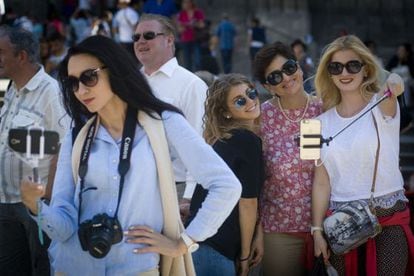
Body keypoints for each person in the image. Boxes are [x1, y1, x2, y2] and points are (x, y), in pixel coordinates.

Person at [19, 35, 242, 275]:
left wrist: (184, 242)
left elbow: (226, 185)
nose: (81, 90)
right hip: (74, 266)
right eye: (73, 83)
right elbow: (63, 228)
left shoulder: (163, 122)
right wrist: (36, 207)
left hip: (136, 267)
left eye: (89, 77)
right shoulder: (76, 138)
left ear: (113, 69)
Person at [312, 34, 414, 275]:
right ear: (328, 72)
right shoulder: (314, 124)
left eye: (353, 65)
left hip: (388, 220)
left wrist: (395, 83)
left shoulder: (383, 105)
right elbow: (321, 181)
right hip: (341, 227)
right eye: (336, 67)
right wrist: (316, 230)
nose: (344, 72)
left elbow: (393, 84)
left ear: (366, 69)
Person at [0, 26, 69, 276]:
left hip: (34, 207)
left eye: (1, 52)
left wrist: (45, 201)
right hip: (5, 202)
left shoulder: (51, 92)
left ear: (21, 56)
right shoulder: (11, 90)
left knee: (41, 269)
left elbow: (63, 148)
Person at [253, 41, 323, 275]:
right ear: (267, 86)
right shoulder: (260, 117)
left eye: (289, 68)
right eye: (274, 77)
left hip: (328, 225)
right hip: (278, 230)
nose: (285, 77)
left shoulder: (326, 109)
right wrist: (257, 230)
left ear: (300, 67)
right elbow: (252, 178)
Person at [187, 74, 264, 276]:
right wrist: (245, 256)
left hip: (199, 246)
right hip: (216, 251)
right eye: (240, 101)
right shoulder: (246, 140)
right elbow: (248, 203)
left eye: (251, 93)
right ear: (226, 113)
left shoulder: (223, 140)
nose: (250, 101)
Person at [133, 13, 208, 213]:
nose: (141, 41)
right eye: (136, 37)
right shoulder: (129, 83)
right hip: (135, 188)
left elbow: (198, 143)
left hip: (176, 189)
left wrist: (189, 195)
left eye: (148, 35)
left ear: (169, 40)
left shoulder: (191, 85)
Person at [176, 0, 205, 71]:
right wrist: (187, 25)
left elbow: (202, 25)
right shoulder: (181, 14)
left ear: (191, 3)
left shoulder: (198, 12)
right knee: (187, 61)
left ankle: (198, 75)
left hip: (196, 39)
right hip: (185, 40)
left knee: (197, 60)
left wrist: (194, 24)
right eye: (184, 2)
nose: (185, 4)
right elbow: (179, 29)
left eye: (186, 2)